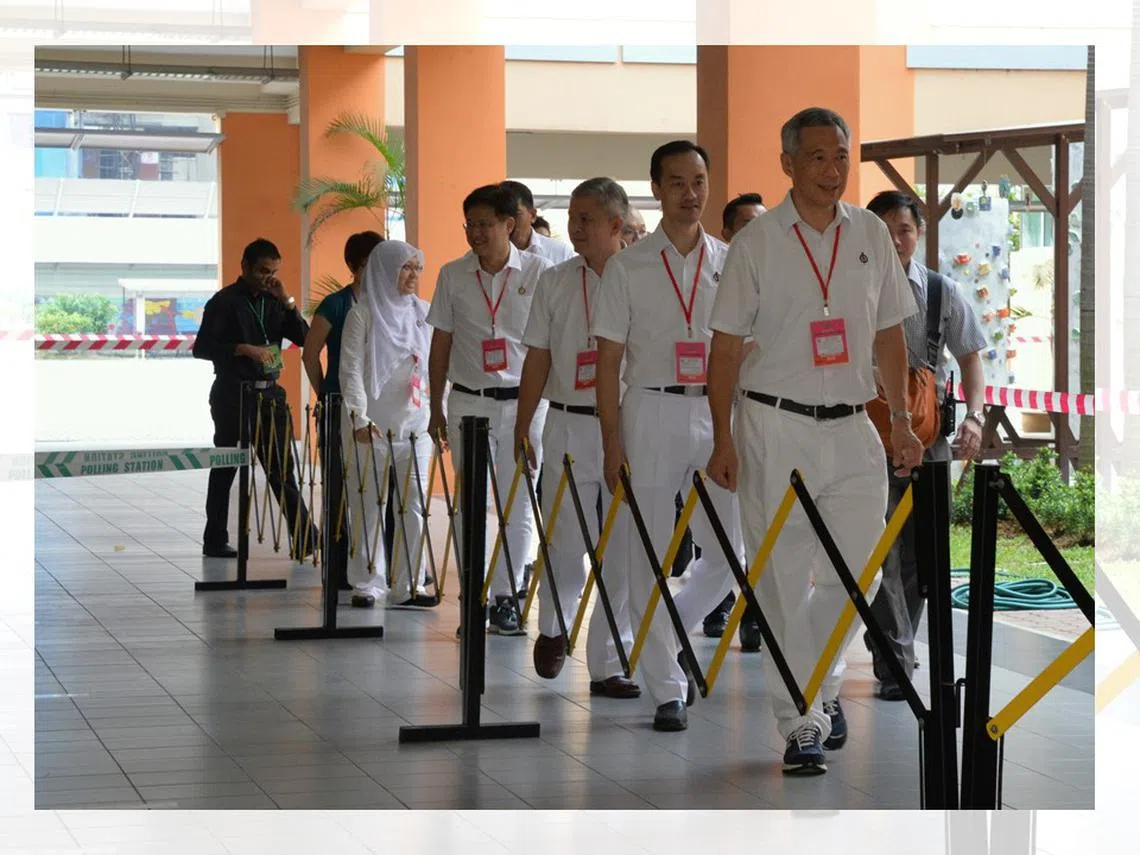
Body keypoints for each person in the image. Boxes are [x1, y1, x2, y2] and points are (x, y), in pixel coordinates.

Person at [705, 107, 923, 775]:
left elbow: (889, 333)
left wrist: (902, 420)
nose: (833, 171)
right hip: (774, 423)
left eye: (841, 157)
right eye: (819, 158)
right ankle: (800, 719)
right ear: (789, 164)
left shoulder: (869, 233)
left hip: (853, 424)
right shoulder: (758, 243)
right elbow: (725, 348)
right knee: (778, 575)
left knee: (857, 570)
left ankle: (820, 685)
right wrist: (723, 437)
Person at [592, 140, 745, 733]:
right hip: (650, 410)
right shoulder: (629, 266)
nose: (690, 193)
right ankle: (666, 687)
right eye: (677, 182)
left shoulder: (731, 262)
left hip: (716, 414)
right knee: (646, 553)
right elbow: (608, 361)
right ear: (656, 189)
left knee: (731, 553)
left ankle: (670, 631)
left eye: (700, 180)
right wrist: (612, 442)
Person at [515, 176, 640, 699]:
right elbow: (538, 356)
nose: (575, 227)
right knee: (565, 538)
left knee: (624, 545)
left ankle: (609, 662)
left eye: (586, 218)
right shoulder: (555, 279)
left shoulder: (641, 277)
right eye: (571, 216)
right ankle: (554, 626)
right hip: (567, 420)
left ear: (616, 224)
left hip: (628, 424)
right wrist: (523, 425)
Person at [863, 190, 987, 700]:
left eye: (905, 229)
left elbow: (972, 357)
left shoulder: (941, 292)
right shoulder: (852, 289)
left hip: (929, 437)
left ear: (920, 233)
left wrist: (976, 418)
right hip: (865, 437)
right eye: (885, 228)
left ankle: (895, 646)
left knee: (919, 551)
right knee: (878, 547)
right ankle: (895, 657)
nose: (896, 238)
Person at [427, 184, 553, 634]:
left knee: (518, 503)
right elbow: (440, 342)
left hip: (524, 403)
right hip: (468, 403)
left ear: (510, 225)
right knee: (471, 504)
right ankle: (473, 595)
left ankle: (504, 596)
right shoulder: (452, 274)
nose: (476, 233)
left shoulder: (539, 272)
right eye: (470, 225)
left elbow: (545, 345)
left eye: (485, 224)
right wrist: (436, 406)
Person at [194, 237, 318, 560]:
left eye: (273, 271)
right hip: (233, 395)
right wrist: (242, 348)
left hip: (270, 397)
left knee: (282, 469)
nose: (268, 277)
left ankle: (305, 537)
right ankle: (215, 538)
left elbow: (305, 337)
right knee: (226, 468)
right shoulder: (223, 302)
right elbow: (201, 348)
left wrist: (287, 300)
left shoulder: (275, 300)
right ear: (245, 267)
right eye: (263, 271)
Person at [339, 240, 439, 611]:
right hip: (372, 428)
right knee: (367, 503)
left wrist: (438, 416)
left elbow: (433, 370)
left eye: (417, 267)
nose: (412, 275)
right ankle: (367, 582)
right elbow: (350, 370)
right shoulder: (362, 315)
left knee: (413, 505)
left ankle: (409, 584)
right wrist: (358, 418)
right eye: (404, 267)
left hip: (416, 425)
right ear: (384, 269)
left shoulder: (424, 314)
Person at [701, 192, 768, 650]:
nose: (754, 234)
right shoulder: (715, 274)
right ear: (727, 234)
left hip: (767, 413)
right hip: (720, 411)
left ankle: (755, 611)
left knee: (764, 524)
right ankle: (725, 599)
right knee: (728, 526)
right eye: (745, 225)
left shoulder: (782, 272)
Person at [301, 230, 383, 602]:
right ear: (354, 266)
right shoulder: (336, 304)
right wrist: (326, 396)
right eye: (370, 264)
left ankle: (381, 568)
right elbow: (310, 352)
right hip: (341, 408)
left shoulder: (389, 303)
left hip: (377, 411)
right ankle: (336, 570)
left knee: (378, 492)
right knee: (339, 488)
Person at [500, 180, 577, 264]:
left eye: (516, 214)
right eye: (501, 216)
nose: (508, 223)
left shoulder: (560, 253)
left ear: (532, 215)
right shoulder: (486, 254)